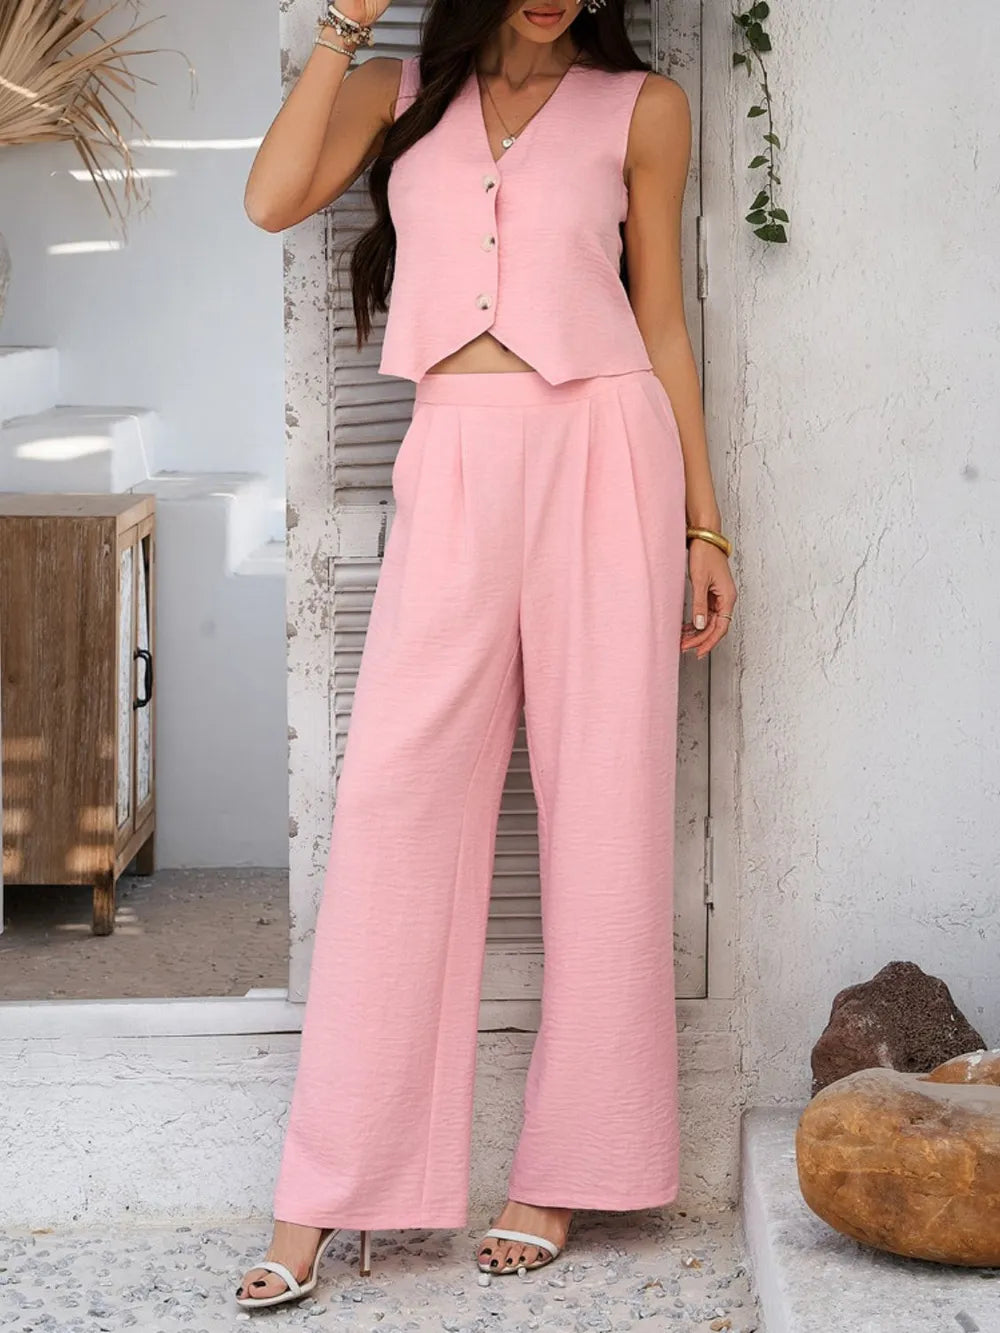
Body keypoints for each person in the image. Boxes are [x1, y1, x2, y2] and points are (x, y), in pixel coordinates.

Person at [236, 0, 737, 1310]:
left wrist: (704, 518)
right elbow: (273, 197)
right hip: (453, 454)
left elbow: (663, 320)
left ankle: (560, 1172)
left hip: (607, 445)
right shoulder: (401, 89)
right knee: (396, 805)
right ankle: (326, 1191)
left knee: (604, 809)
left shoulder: (645, 108)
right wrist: (343, 24)